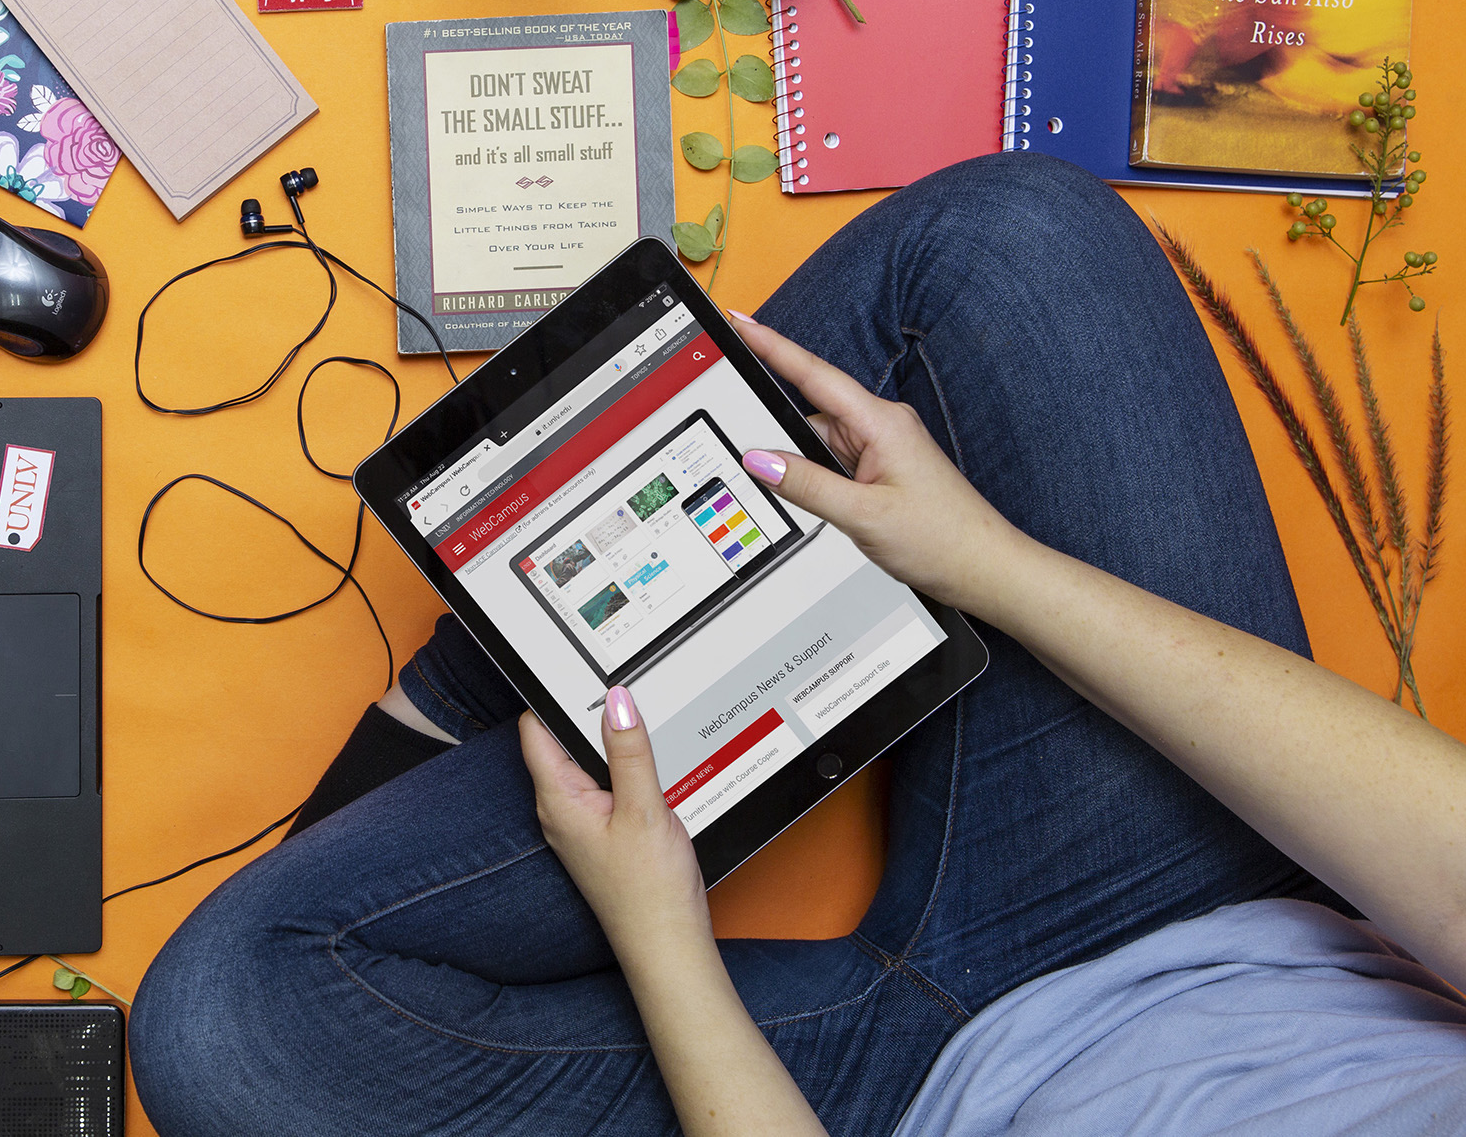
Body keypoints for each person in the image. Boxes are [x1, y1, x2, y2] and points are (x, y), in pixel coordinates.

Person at [128, 154, 1466, 1135]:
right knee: (1004, 250)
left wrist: (667, 944)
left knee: (223, 1033)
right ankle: (504, 652)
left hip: (869, 1107)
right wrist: (979, 558)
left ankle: (502, 661)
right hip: (1229, 906)